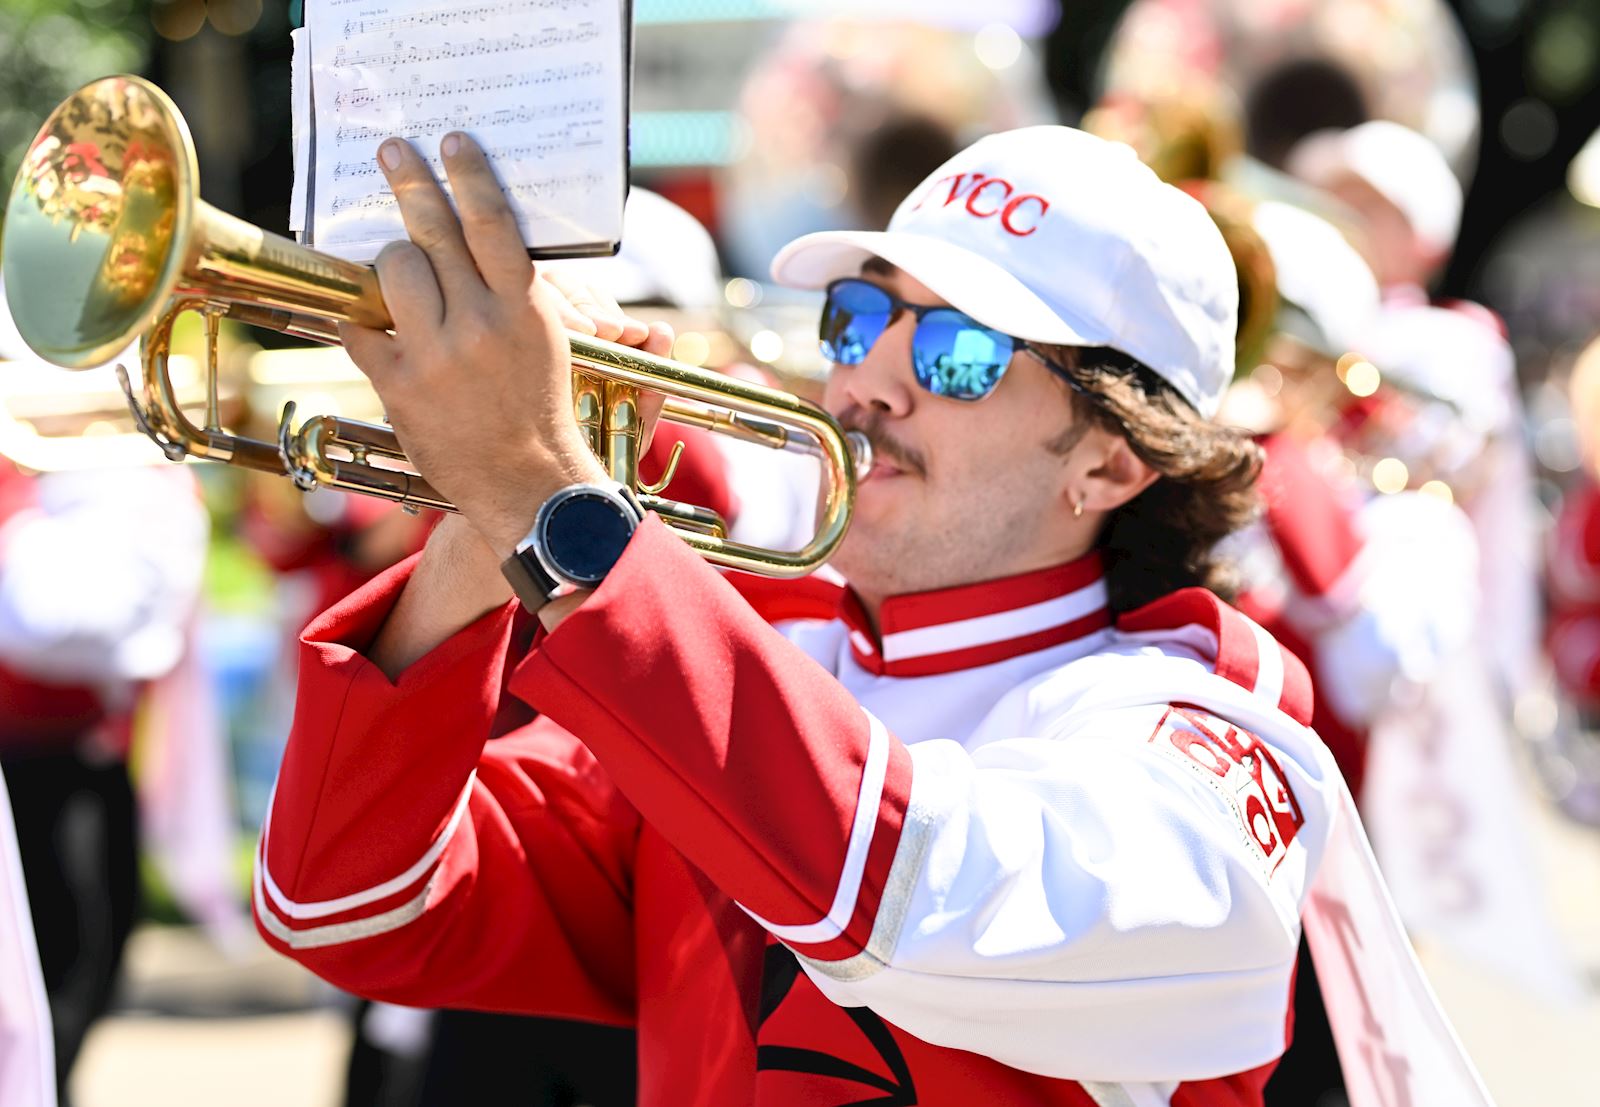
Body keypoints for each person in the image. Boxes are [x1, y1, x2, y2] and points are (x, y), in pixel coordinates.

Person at [253, 126, 1462, 1104]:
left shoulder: (1204, 743)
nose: (868, 375)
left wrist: (547, 492)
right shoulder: (792, 658)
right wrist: (483, 508)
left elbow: (908, 896)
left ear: (1108, 463)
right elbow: (347, 904)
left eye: (959, 353)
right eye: (858, 317)